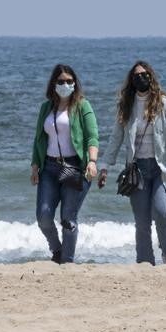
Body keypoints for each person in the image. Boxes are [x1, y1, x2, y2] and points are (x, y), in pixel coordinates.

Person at [99, 61, 166, 266]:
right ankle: (145, 261)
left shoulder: (165, 103)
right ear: (131, 80)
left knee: (162, 212)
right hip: (136, 170)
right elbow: (116, 137)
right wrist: (105, 166)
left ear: (151, 77)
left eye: (145, 74)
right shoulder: (127, 106)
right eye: (137, 75)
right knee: (142, 221)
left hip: (161, 168)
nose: (141, 78)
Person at [29, 64, 100, 264]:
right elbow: (38, 139)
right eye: (61, 81)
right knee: (43, 216)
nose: (65, 84)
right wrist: (35, 166)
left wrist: (92, 161)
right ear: (54, 84)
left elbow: (92, 136)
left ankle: (67, 262)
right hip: (49, 168)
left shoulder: (82, 106)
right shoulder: (46, 108)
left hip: (75, 167)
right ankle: (57, 250)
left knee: (68, 218)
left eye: (69, 81)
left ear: (75, 83)